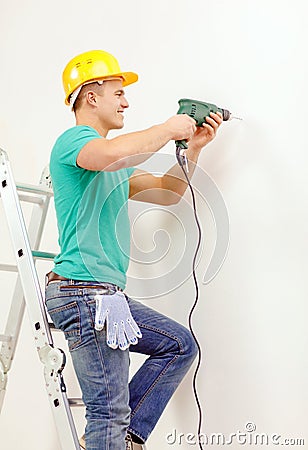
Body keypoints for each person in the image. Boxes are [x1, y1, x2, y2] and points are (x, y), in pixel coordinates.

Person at [45, 50, 222, 450]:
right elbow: (109, 154)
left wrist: (192, 148)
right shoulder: (76, 142)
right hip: (82, 293)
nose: (126, 102)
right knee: (107, 412)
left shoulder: (116, 164)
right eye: (118, 93)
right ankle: (112, 436)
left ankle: (123, 439)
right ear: (91, 96)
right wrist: (165, 128)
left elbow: (169, 191)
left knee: (178, 346)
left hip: (103, 295)